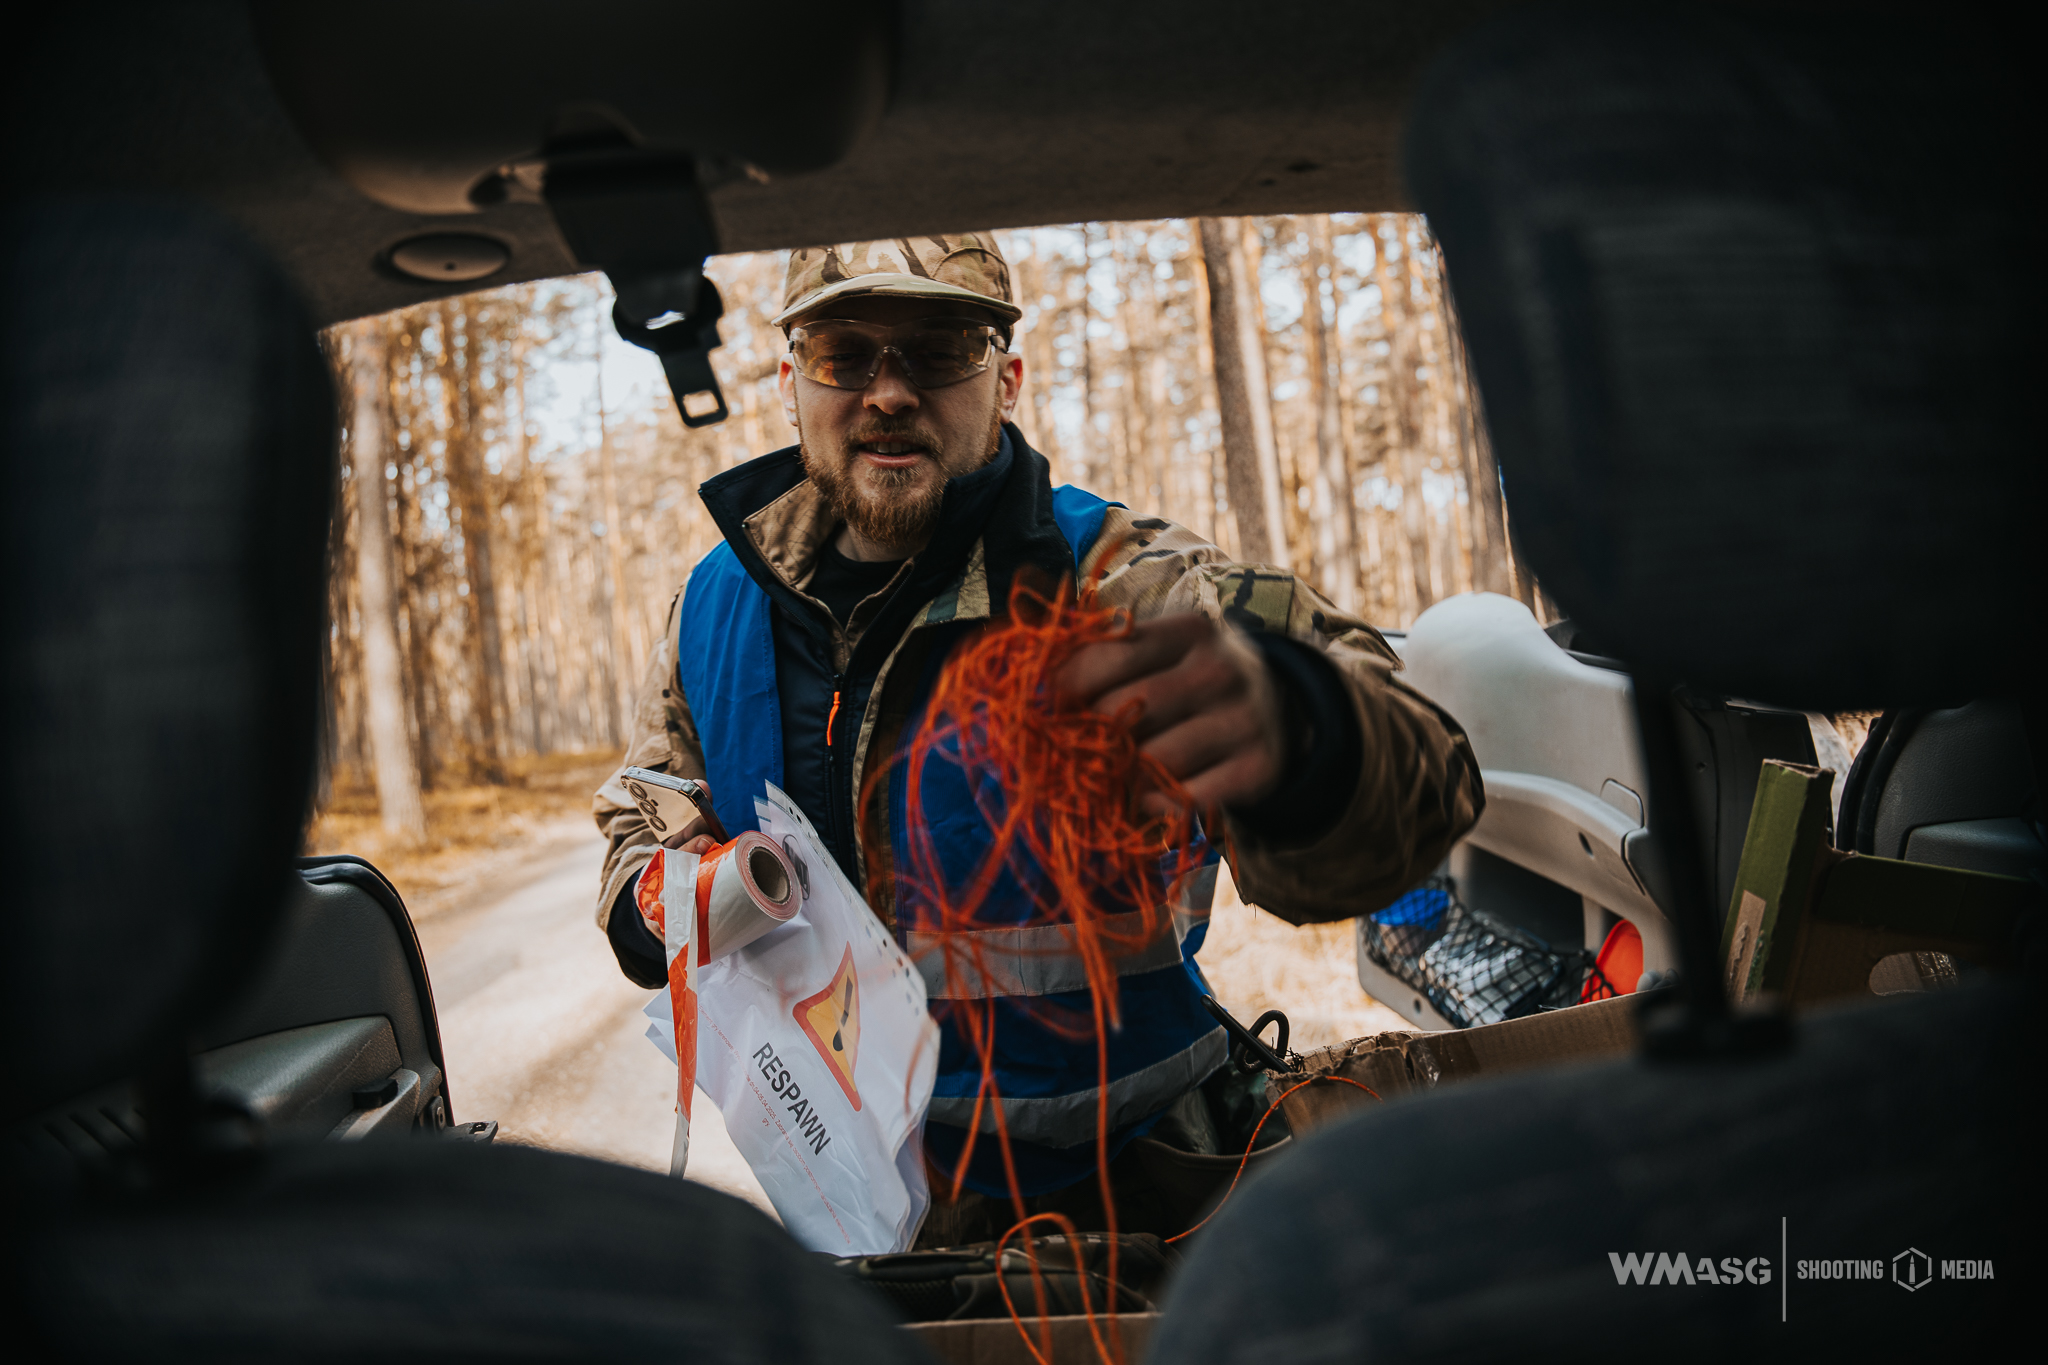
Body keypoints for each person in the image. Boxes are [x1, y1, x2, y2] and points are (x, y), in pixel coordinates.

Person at [592, 234, 1482, 1241]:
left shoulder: (1122, 580)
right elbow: (644, 808)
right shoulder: (709, 606)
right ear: (788, 379)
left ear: (1004, 379)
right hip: (846, 1209)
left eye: (938, 353)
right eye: (846, 355)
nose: (889, 393)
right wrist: (649, 905)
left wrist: (1305, 734)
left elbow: (1429, 771)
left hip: (1138, 1206)